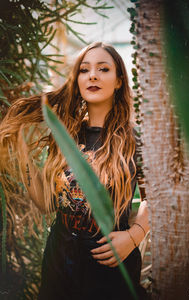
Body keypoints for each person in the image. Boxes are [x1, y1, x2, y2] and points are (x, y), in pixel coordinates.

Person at [0, 42, 149, 299]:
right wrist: (22, 152)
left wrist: (133, 237)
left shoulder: (135, 138)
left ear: (118, 81)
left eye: (103, 69)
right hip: (59, 260)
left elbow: (154, 198)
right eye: (84, 70)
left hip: (110, 263)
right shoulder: (65, 134)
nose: (92, 75)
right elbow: (47, 203)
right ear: (77, 80)